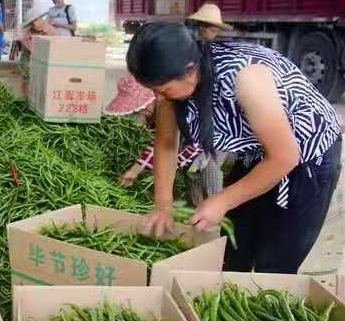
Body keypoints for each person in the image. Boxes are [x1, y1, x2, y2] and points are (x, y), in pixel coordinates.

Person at [127, 22, 341, 274]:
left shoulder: (245, 78)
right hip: (258, 153)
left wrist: (224, 200)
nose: (158, 97)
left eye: (162, 90)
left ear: (189, 70)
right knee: (235, 247)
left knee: (275, 261)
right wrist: (163, 205)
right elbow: (165, 143)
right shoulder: (173, 88)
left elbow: (284, 157)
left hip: (308, 157)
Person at [105, 74, 212, 200]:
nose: (140, 112)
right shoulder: (158, 110)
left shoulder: (186, 106)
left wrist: (140, 168)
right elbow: (160, 140)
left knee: (198, 181)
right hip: (181, 145)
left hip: (206, 146)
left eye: (143, 108)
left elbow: (189, 146)